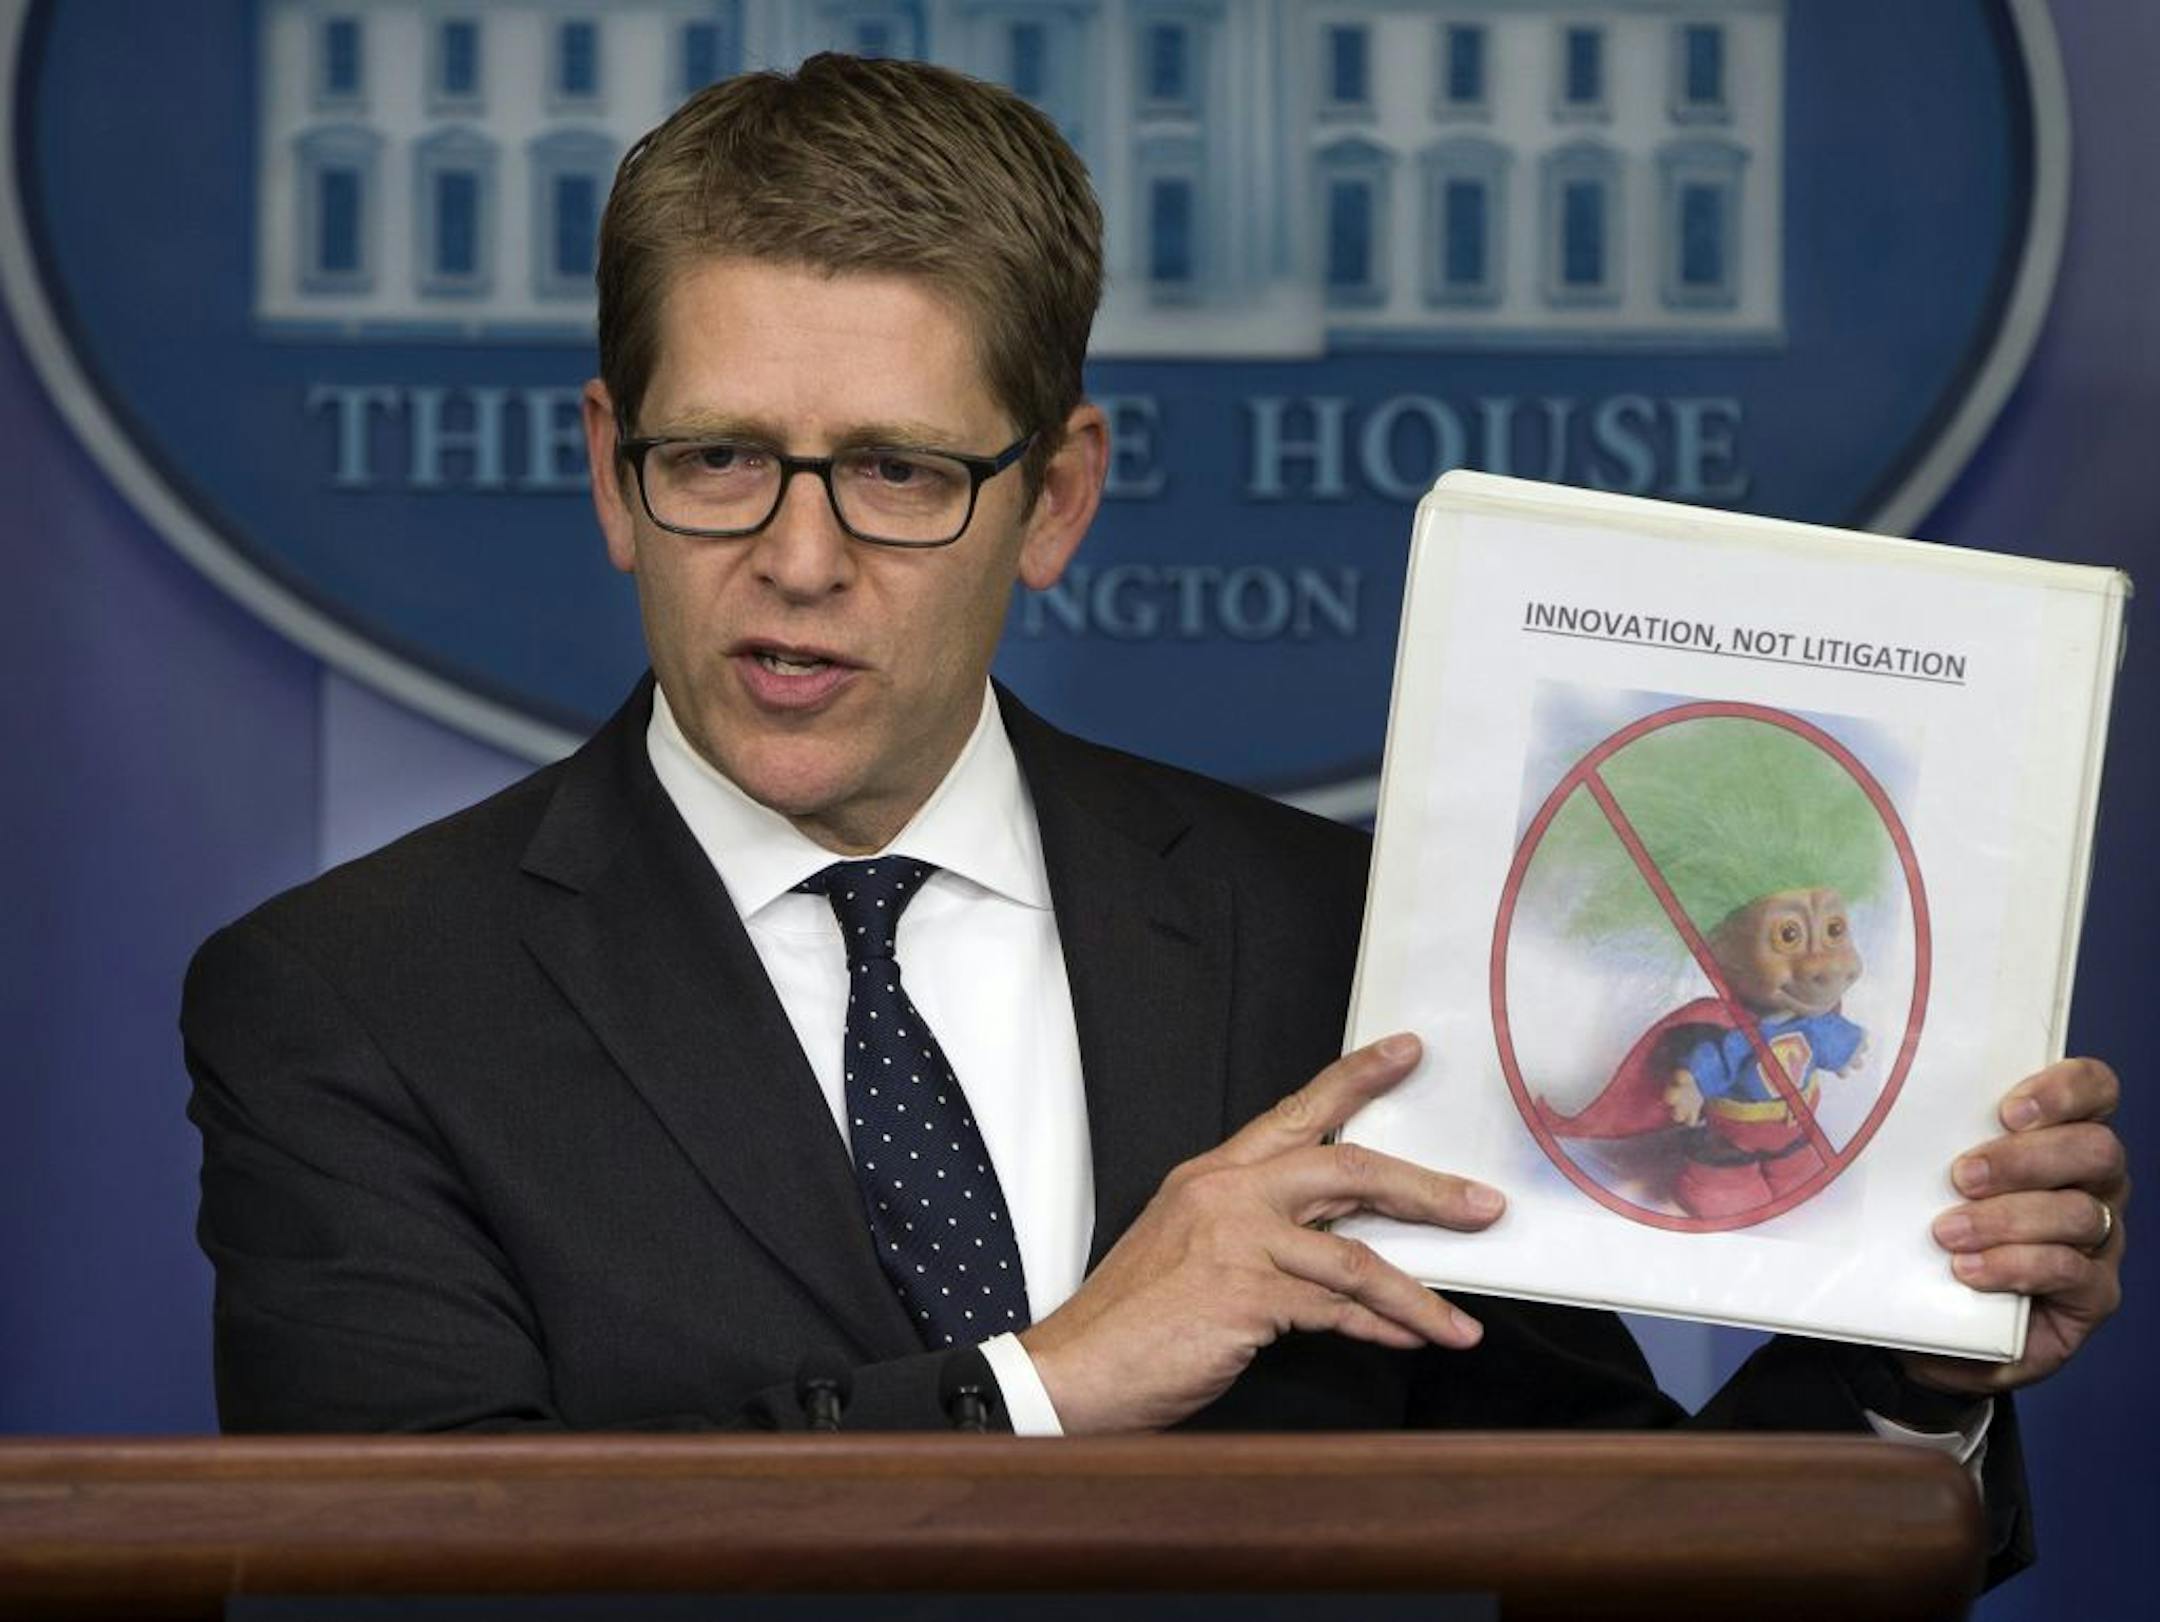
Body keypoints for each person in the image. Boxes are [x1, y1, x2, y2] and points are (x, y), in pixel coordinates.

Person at [183, 53, 2124, 1583]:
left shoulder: (1338, 950)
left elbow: (1604, 1557)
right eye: (716, 459)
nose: (795, 559)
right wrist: (1045, 1388)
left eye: (899, 473)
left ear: (1059, 500)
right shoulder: (350, 1002)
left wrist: (1911, 1359)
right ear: (612, 476)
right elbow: (410, 1576)